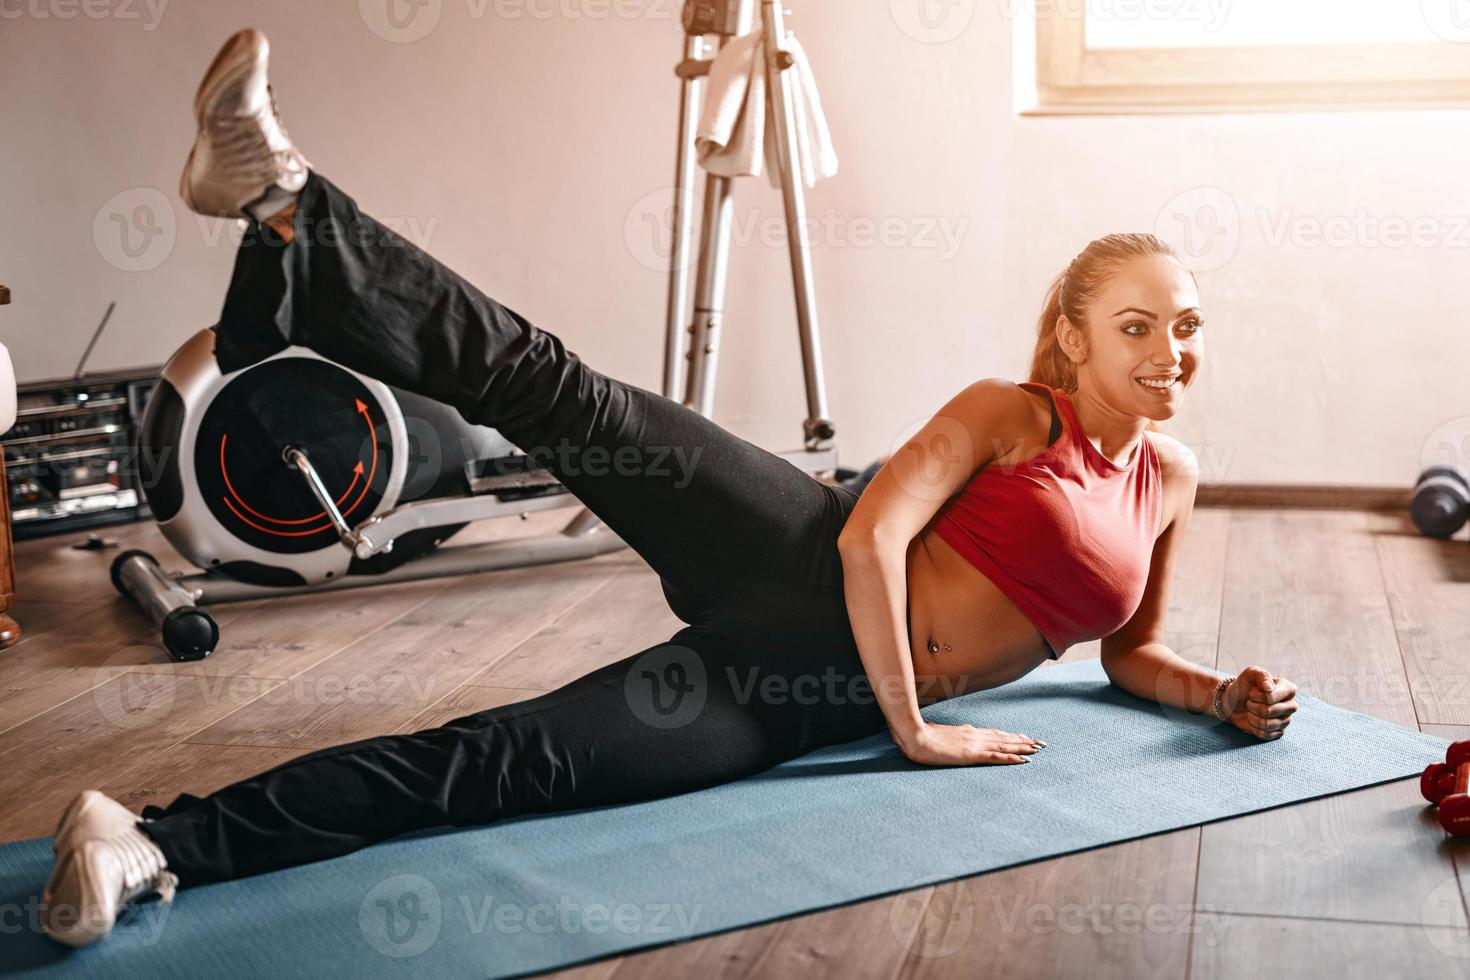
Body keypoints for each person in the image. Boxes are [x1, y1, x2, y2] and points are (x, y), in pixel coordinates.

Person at [39, 28, 1298, 947]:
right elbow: (870, 546)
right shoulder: (1005, 414)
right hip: (800, 554)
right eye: (1137, 325)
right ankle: (281, 198)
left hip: (798, 695)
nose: (1169, 351)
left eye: (1186, 327)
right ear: (1074, 338)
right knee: (561, 392)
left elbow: (1135, 653)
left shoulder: (1172, 477)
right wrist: (914, 731)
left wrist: (1216, 693)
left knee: (510, 761)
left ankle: (148, 837)